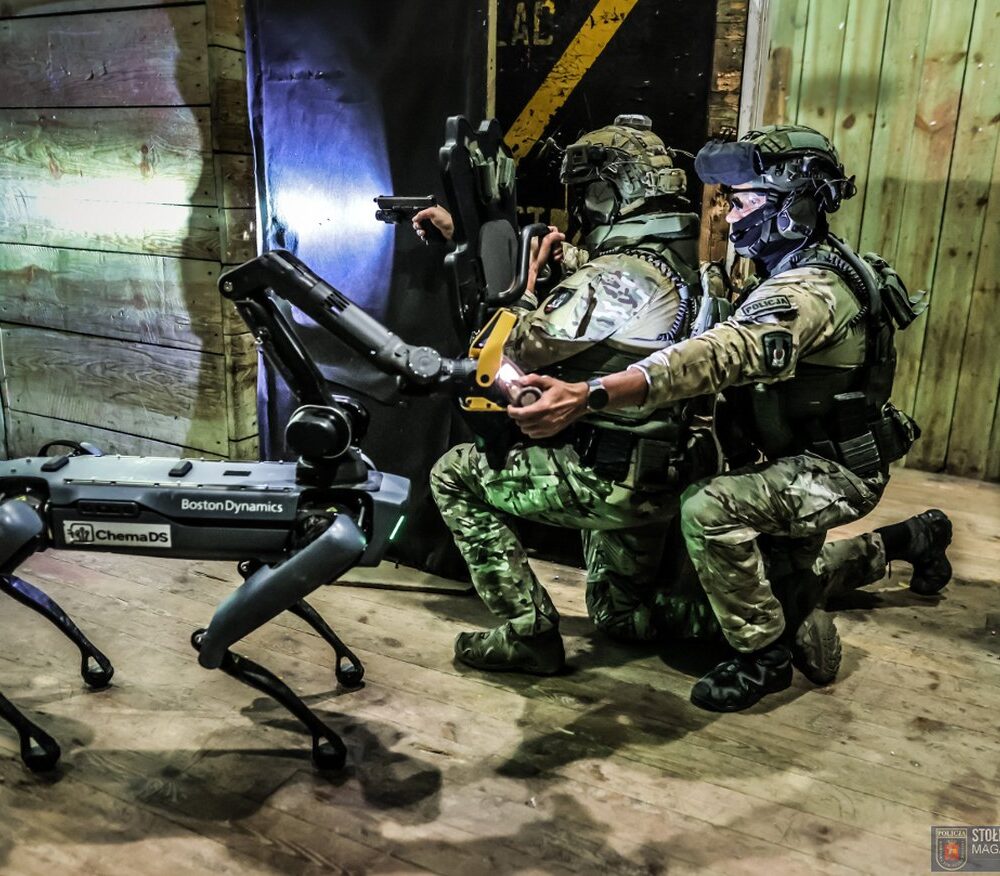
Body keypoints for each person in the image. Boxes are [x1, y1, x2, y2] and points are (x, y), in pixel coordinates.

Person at [507, 124, 951, 709]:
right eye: (726, 200)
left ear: (792, 205)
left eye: (742, 201)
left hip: (831, 469)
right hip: (781, 456)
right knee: (768, 574)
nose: (728, 214)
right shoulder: (785, 263)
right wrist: (564, 257)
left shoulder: (810, 290)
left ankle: (764, 654)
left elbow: (725, 351)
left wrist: (593, 392)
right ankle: (911, 539)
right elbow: (693, 290)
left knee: (710, 510)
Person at [429, 114, 723, 675]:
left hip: (607, 478)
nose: (582, 208)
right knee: (619, 617)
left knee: (452, 475)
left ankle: (528, 633)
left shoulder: (617, 276)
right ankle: (775, 617)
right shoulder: (688, 268)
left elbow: (513, 349)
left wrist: (524, 291)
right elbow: (596, 281)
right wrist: (463, 231)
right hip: (669, 472)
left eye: (587, 193)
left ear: (609, 192)